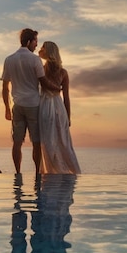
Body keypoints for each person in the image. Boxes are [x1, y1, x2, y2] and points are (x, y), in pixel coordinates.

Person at [1, 29, 59, 175]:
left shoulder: (9, 59)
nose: (36, 46)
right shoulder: (35, 60)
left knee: (17, 142)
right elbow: (43, 81)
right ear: (29, 41)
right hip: (33, 105)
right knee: (36, 142)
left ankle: (18, 172)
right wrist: (57, 88)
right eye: (35, 42)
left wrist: (7, 109)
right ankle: (37, 175)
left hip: (18, 105)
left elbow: (5, 88)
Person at [37, 41, 81, 174]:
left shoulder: (40, 69)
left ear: (49, 51)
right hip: (58, 106)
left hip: (45, 105)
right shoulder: (63, 72)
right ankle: (69, 171)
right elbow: (66, 97)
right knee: (63, 140)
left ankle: (49, 172)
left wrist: (68, 117)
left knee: (47, 142)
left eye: (43, 47)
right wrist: (68, 116)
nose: (40, 49)